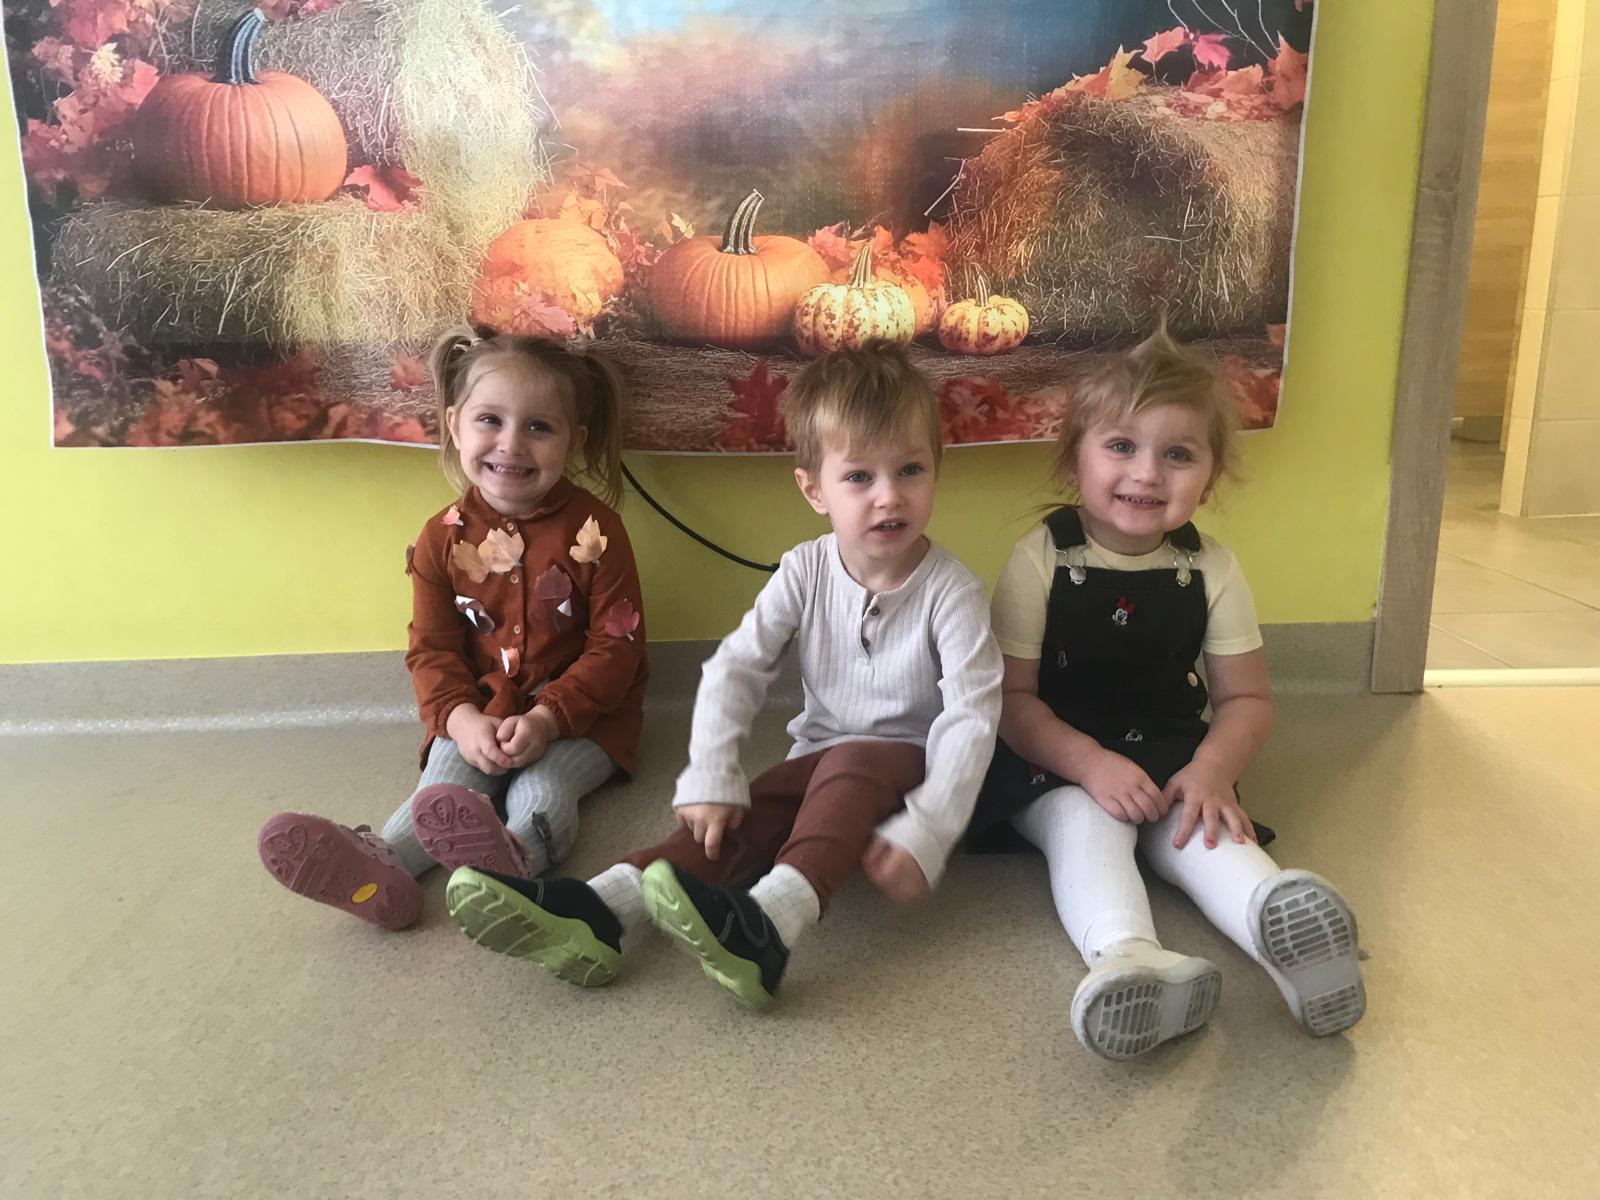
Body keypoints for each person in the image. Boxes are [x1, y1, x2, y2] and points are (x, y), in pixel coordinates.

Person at [444, 341, 1003, 1007]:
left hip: (913, 768)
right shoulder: (804, 569)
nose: (889, 496)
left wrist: (930, 827)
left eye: (910, 470)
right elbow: (737, 668)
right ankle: (600, 907)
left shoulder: (952, 592)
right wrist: (713, 773)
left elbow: (971, 718)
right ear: (814, 490)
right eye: (859, 477)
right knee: (737, 818)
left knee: (852, 763)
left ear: (936, 471)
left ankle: (770, 925)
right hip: (819, 759)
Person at [969, 324, 1365, 1060]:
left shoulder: (1212, 567)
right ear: (1076, 460)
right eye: (1122, 446)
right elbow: (1010, 701)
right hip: (1056, 758)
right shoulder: (1041, 558)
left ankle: (1281, 926)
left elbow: (1247, 701)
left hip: (1174, 751)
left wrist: (1212, 772)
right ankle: (1130, 957)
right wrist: (1089, 763)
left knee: (1203, 828)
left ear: (1208, 479)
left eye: (1178, 454)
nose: (1148, 474)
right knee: (1087, 825)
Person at [256, 327, 647, 934]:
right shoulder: (440, 537)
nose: (511, 444)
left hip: (586, 718)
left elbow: (616, 649)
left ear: (574, 441)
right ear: (455, 426)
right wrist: (460, 720)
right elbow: (431, 649)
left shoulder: (598, 532)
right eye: (490, 420)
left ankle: (517, 862)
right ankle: (379, 871)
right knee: (442, 792)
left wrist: (548, 719)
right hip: (478, 708)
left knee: (543, 788)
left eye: (539, 427)